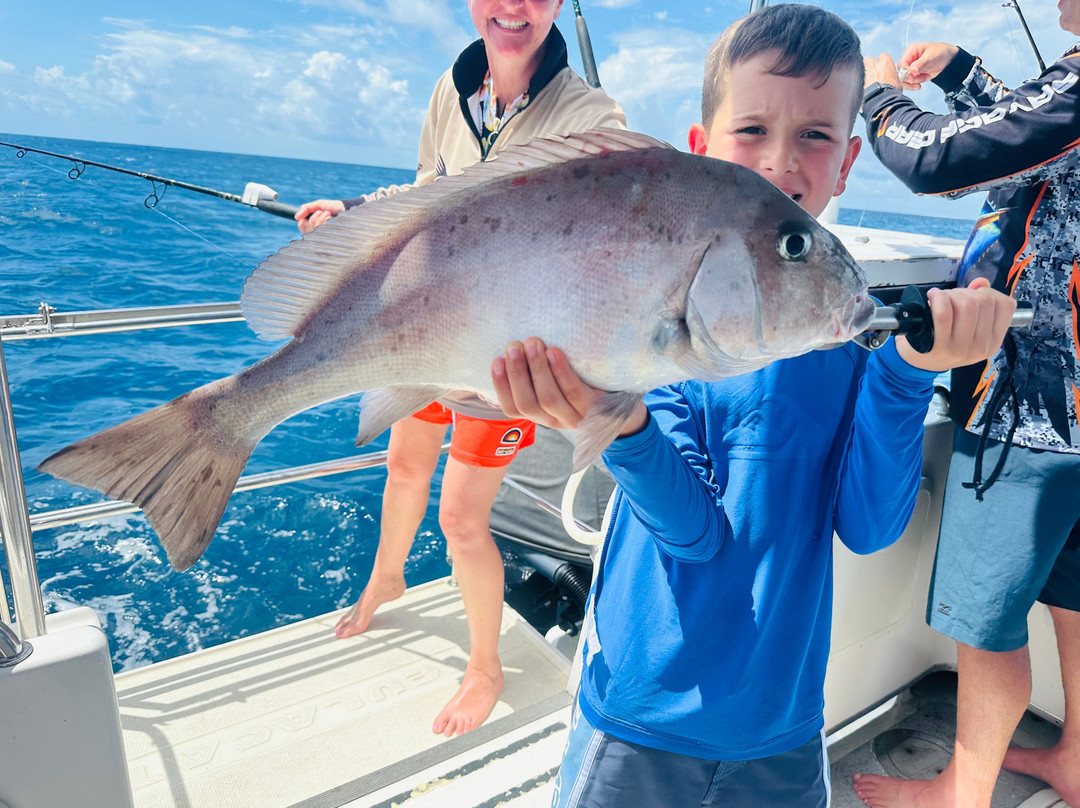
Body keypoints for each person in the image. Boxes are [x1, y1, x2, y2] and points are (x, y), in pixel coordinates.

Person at [486, 5, 1017, 806]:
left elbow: (869, 527)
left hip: (785, 722)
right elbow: (695, 536)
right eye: (752, 130)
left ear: (846, 162)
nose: (780, 160)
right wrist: (623, 425)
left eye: (814, 135)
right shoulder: (656, 321)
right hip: (642, 718)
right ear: (699, 153)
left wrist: (909, 372)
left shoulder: (851, 338)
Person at [295, 0, 625, 738]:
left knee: (461, 519)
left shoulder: (592, 112)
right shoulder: (454, 89)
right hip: (428, 328)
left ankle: (486, 666)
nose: (514, 6)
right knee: (404, 465)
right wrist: (353, 209)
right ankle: (387, 575)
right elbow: (428, 189)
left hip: (503, 358)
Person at [853, 5, 1080, 806]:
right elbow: (1033, 135)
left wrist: (879, 99)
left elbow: (940, 158)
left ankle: (962, 792)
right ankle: (1077, 760)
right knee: (1073, 598)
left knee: (986, 619)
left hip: (1029, 412)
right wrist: (958, 72)